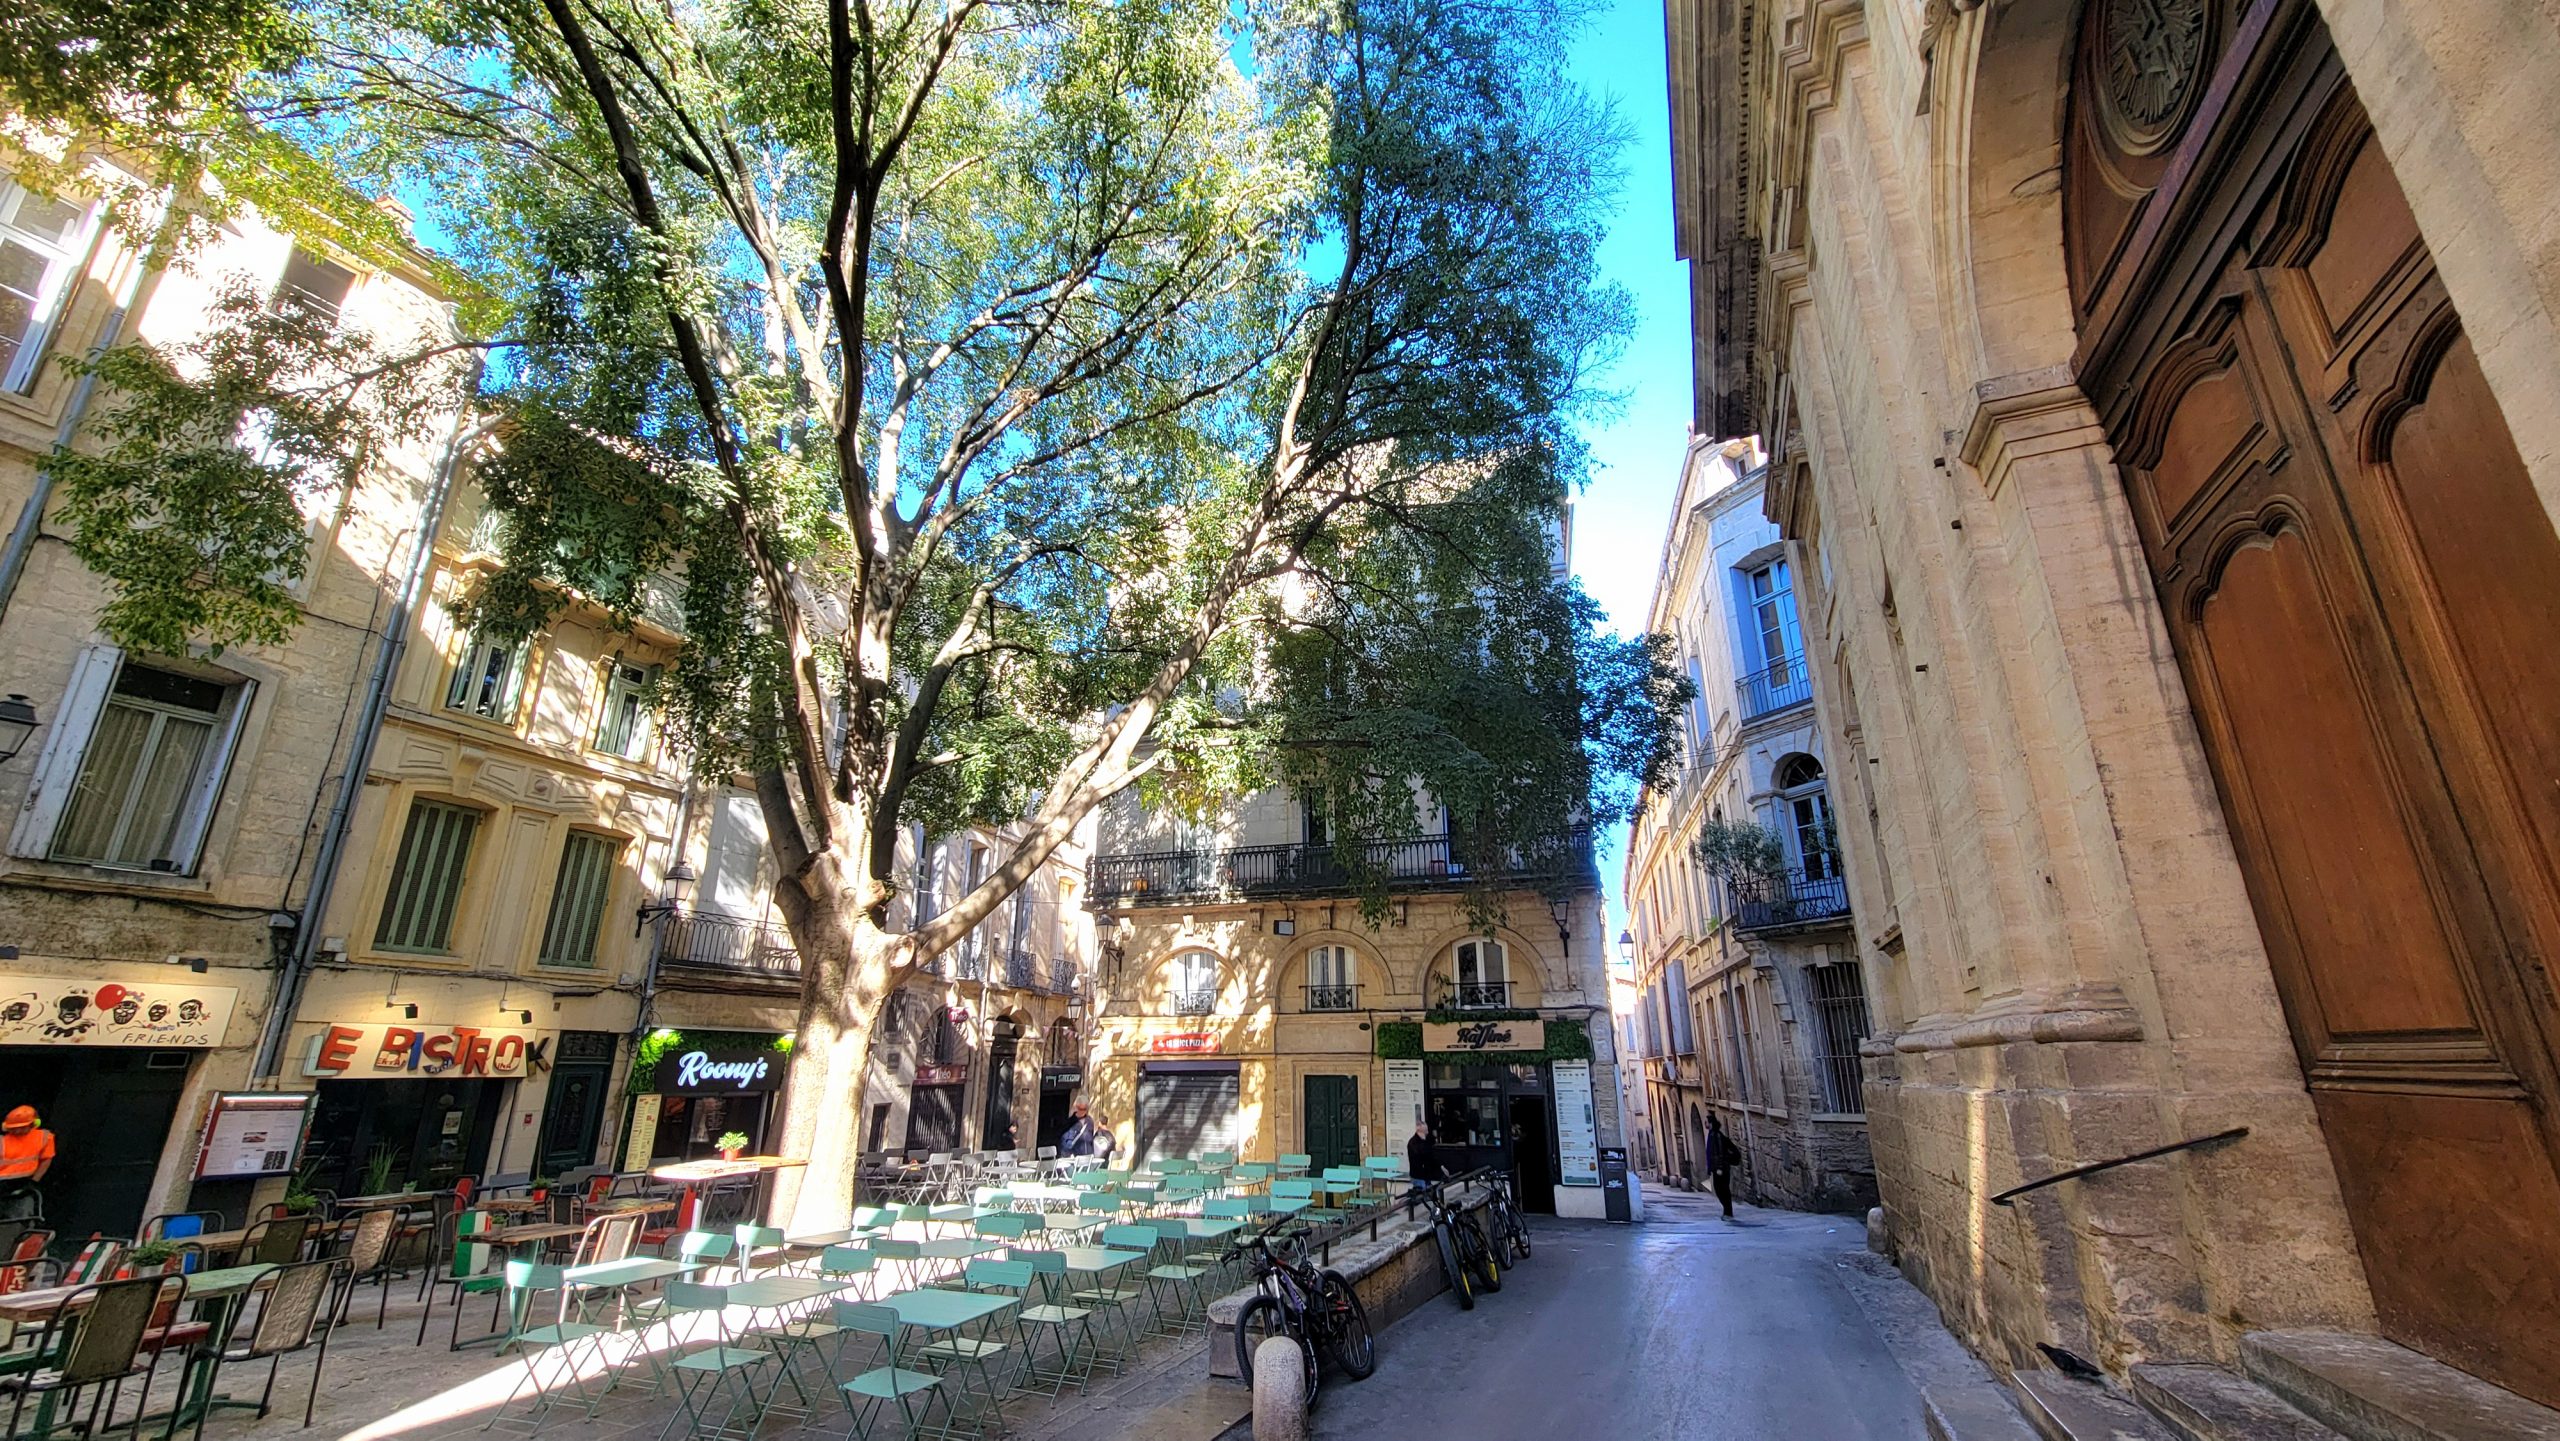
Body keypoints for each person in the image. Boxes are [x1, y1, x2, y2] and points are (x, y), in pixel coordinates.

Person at [0, 1107, 55, 1221]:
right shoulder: (2, 1141)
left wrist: (34, 1181)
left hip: (26, 1183)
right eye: (13, 1129)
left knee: (21, 1216)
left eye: (21, 1128)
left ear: (33, 1124)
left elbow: (46, 1160)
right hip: (3, 1183)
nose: (17, 1131)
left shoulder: (43, 1137)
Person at [1705, 1112, 1741, 1220]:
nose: (1705, 1124)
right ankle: (1727, 1211)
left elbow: (1719, 1152)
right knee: (1719, 1189)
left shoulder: (1716, 1135)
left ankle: (1728, 1212)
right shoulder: (1712, 1134)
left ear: (1710, 1123)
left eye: (1706, 1122)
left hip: (1721, 1168)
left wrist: (1719, 1167)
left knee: (1722, 1190)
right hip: (1717, 1168)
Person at [1406, 1117, 1445, 1193]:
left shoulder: (1424, 1141)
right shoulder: (1414, 1143)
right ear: (1419, 1129)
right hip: (1419, 1176)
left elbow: (1430, 1156)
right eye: (1425, 1127)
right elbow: (1423, 1156)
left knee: (1429, 1194)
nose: (1427, 1130)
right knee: (1423, 1194)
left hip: (1425, 1175)